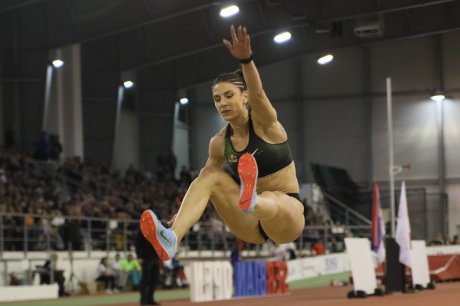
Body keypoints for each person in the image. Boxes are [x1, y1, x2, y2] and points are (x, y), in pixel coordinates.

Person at [140, 25, 305, 261]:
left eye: (229, 96)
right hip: (251, 225)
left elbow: (259, 95)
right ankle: (171, 239)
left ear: (244, 97)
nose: (222, 103)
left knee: (277, 198)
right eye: (217, 99)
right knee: (209, 176)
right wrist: (181, 215)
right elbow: (202, 186)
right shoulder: (219, 142)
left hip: (287, 216)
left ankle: (254, 200)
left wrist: (246, 61)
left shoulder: (266, 125)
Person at [135, 229, 161, 306]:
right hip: (146, 258)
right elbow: (137, 244)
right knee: (145, 280)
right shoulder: (142, 230)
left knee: (154, 280)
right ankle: (143, 300)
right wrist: (139, 256)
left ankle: (150, 299)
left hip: (156, 257)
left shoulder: (156, 230)